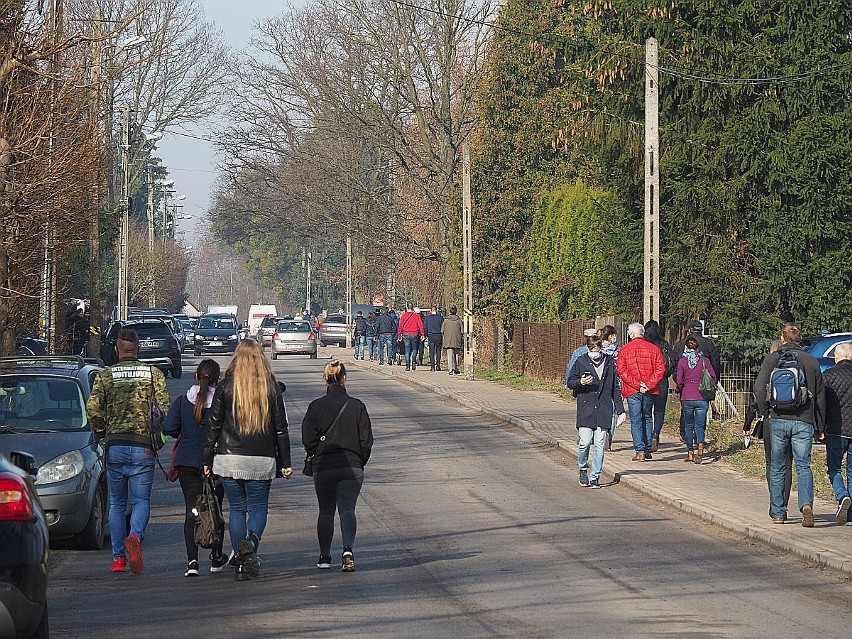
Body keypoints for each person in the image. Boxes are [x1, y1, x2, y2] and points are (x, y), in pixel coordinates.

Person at [203, 339, 293, 580]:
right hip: (261, 460)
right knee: (258, 507)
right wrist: (285, 463)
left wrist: (206, 459)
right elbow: (281, 429)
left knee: (237, 509)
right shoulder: (271, 387)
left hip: (229, 460)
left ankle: (241, 559)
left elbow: (213, 425)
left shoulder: (225, 387)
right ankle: (251, 544)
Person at [86, 328, 170, 574]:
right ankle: (135, 536)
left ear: (117, 350)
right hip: (143, 446)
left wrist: (102, 429)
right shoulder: (153, 375)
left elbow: (92, 410)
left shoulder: (105, 376)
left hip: (115, 447)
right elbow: (164, 411)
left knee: (116, 503)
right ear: (139, 350)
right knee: (141, 500)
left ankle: (119, 559)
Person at [302, 359, 373, 572]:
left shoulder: (315, 407)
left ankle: (324, 556)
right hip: (351, 466)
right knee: (347, 508)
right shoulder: (357, 406)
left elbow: (308, 439)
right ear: (344, 378)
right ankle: (348, 550)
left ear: (325, 379)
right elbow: (366, 440)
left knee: (325, 511)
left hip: (323, 466)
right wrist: (359, 460)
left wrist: (316, 454)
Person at [753, 323, 825, 526]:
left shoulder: (772, 359)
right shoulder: (811, 361)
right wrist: (819, 427)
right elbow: (820, 397)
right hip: (803, 421)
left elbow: (759, 389)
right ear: (800, 340)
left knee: (777, 466)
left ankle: (778, 513)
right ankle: (806, 506)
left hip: (777, 419)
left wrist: (766, 412)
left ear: (782, 339)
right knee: (803, 466)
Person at [163, 359, 227, 577]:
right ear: (217, 379)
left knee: (192, 510)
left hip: (187, 463)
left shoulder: (183, 401)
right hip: (215, 462)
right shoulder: (221, 402)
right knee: (214, 509)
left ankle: (192, 562)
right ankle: (217, 557)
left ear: (196, 377)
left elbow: (169, 427)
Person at [742, 341, 793, 517]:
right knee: (787, 464)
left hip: (772, 420)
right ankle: (783, 504)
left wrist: (764, 412)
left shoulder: (769, 369)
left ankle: (775, 504)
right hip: (794, 419)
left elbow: (757, 395)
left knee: (772, 463)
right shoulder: (798, 365)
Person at [566, 336, 624, 488]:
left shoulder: (609, 363)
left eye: (597, 350)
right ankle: (583, 469)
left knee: (599, 444)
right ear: (588, 349)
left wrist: (620, 410)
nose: (595, 353)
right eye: (592, 350)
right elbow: (570, 382)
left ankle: (595, 477)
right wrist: (580, 382)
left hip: (604, 408)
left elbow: (615, 388)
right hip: (586, 408)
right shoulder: (581, 361)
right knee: (584, 442)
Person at [616, 322, 665, 462]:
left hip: (632, 389)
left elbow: (622, 370)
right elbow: (660, 369)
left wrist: (637, 385)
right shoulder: (654, 349)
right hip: (649, 389)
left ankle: (640, 450)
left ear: (631, 334)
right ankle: (647, 447)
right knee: (648, 417)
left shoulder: (625, 350)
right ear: (642, 333)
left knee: (636, 419)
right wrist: (648, 385)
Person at [674, 320, 722, 443]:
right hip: (704, 384)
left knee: (686, 412)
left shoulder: (680, 344)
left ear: (689, 330)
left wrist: (679, 383)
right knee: (702, 414)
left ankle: (685, 436)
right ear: (701, 330)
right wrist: (714, 382)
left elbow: (675, 365)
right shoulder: (709, 344)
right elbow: (716, 364)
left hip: (686, 385)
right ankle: (699, 438)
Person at [824, 342, 852, 525]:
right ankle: (851, 516)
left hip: (836, 430)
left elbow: (821, 403)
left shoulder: (829, 375)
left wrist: (819, 427)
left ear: (837, 357)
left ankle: (842, 496)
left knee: (834, 468)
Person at [675, 336, 716, 463]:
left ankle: (690, 453)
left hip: (687, 396)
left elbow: (678, 380)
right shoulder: (704, 361)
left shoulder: (683, 361)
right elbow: (713, 377)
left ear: (686, 348)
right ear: (698, 347)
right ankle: (700, 446)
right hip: (702, 397)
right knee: (699, 425)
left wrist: (683, 388)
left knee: (689, 426)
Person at [644, 320, 676, 452]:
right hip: (662, 381)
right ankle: (656, 434)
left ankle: (647, 437)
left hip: (646, 382)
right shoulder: (664, 344)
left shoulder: (644, 345)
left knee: (646, 412)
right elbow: (672, 361)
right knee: (659, 411)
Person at [398, 303, 426, 371]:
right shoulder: (416, 316)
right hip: (414, 334)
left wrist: (399, 335)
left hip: (406, 334)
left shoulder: (403, 316)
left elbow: (400, 326)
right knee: (414, 348)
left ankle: (407, 365)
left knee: (407, 349)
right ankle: (413, 361)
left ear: (407, 308)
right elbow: (421, 325)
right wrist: (422, 334)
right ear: (413, 308)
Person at [441, 306, 463, 375]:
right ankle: (456, 368)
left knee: (449, 354)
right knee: (456, 354)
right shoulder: (459, 320)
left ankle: (450, 369)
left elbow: (442, 330)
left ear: (450, 312)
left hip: (448, 340)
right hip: (457, 339)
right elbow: (462, 330)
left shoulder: (446, 320)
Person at [424, 307, 444, 371]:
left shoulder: (427, 318)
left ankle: (432, 366)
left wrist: (426, 335)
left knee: (431, 351)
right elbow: (442, 327)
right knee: (438, 351)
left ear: (431, 311)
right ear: (436, 311)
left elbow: (425, 327)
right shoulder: (440, 318)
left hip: (431, 335)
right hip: (438, 335)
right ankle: (438, 366)